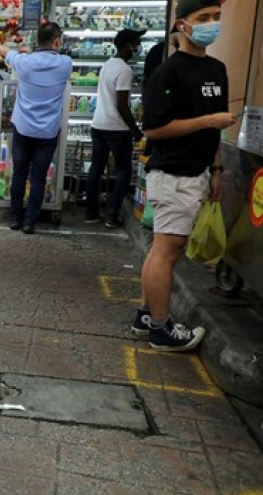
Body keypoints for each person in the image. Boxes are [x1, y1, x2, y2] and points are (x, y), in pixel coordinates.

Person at [132, 0, 236, 351]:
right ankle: (160, 329)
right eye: (202, 18)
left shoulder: (218, 69)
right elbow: (153, 129)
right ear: (182, 25)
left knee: (163, 251)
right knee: (167, 251)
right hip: (173, 174)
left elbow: (216, 127)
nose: (211, 24)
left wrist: (216, 168)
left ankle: (146, 315)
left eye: (216, 17)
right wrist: (207, 121)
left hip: (197, 171)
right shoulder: (169, 72)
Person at [0, 23, 72, 234]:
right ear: (57, 41)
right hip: (48, 132)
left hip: (23, 128)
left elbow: (4, 51)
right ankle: (30, 222)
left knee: (19, 174)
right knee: (38, 177)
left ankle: (15, 218)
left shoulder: (24, 62)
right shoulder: (65, 64)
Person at [84, 29, 146, 228]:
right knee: (123, 172)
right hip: (117, 128)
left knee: (96, 169)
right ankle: (111, 215)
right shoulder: (124, 70)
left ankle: (91, 213)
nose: (138, 47)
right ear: (128, 46)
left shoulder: (107, 65)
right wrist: (135, 130)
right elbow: (122, 104)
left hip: (98, 124)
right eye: (136, 43)